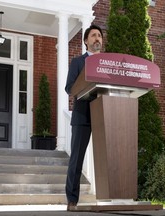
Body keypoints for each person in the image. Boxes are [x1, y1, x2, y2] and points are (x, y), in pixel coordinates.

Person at [65, 24, 103, 211]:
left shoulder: (107, 62)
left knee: (106, 158)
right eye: (94, 35)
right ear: (86, 41)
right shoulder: (78, 62)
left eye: (99, 36)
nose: (97, 38)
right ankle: (72, 200)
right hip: (82, 115)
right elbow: (69, 87)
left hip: (104, 113)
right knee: (77, 160)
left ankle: (109, 198)